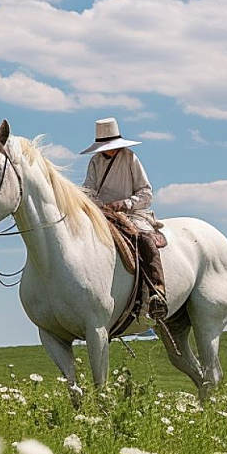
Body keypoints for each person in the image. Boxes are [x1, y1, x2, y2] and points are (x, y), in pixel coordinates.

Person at [81, 118, 168, 321]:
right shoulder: (95, 161)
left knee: (144, 239)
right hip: (102, 214)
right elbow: (88, 190)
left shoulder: (130, 158)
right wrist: (98, 205)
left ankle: (157, 290)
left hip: (131, 213)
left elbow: (146, 193)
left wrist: (124, 204)